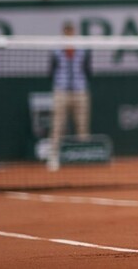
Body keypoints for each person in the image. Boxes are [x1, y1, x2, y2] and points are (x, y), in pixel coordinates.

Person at [47, 21, 92, 172]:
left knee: (82, 125)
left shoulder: (82, 48)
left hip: (80, 91)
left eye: (71, 31)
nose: (69, 33)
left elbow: (87, 69)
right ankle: (53, 157)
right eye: (66, 31)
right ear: (63, 32)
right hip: (61, 91)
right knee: (57, 126)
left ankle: (84, 156)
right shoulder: (56, 49)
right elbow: (51, 70)